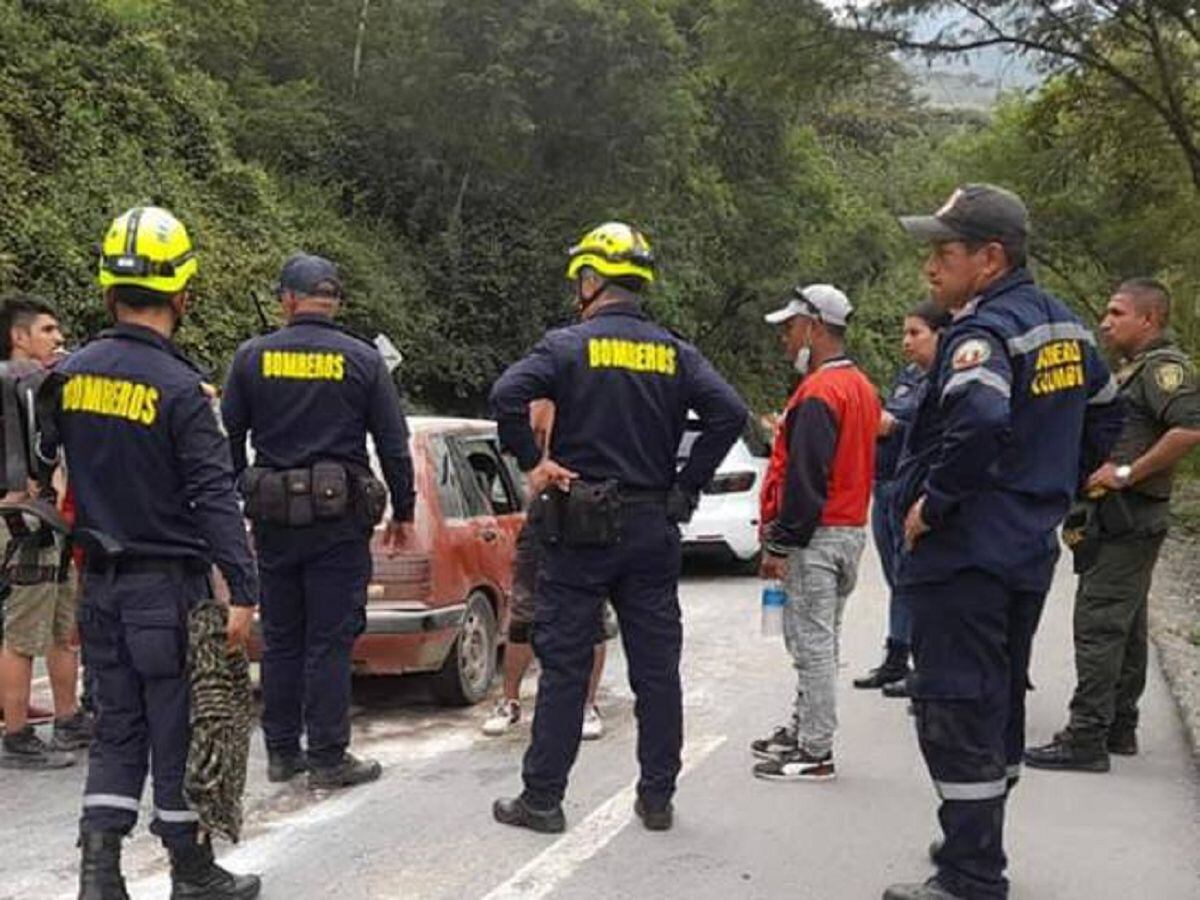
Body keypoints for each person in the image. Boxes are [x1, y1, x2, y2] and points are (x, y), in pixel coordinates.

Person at [883, 185, 1123, 900]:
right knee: (998, 698)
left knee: (955, 702)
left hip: (965, 551)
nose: (931, 267)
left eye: (944, 252)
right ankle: (973, 836)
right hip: (1025, 548)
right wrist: (1057, 483)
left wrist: (938, 502)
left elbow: (981, 417)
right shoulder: (1070, 329)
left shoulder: (981, 332)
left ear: (990, 258)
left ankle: (970, 874)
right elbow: (1105, 416)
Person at [489, 222, 746, 833]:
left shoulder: (567, 345)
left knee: (566, 662)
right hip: (652, 525)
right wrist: (687, 485)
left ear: (592, 277)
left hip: (578, 525)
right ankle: (656, 798)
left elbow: (506, 393)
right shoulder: (674, 351)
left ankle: (543, 799)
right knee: (656, 667)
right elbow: (729, 412)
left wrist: (534, 462)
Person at [50, 206, 261, 898]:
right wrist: (244, 591)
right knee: (179, 730)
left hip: (99, 588)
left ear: (109, 290)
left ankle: (98, 876)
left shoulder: (68, 377)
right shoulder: (181, 390)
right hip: (167, 592)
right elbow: (215, 495)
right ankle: (192, 874)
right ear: (182, 294)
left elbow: (53, 469)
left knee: (116, 730)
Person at [221, 252, 415, 790]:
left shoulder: (251, 357)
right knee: (329, 639)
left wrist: (240, 491)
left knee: (282, 637)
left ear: (287, 299)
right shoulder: (362, 359)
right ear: (334, 302)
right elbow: (394, 445)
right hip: (338, 523)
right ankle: (328, 755)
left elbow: (228, 437)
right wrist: (404, 509)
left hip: (274, 520)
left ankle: (283, 751)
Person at [1025, 279, 1200, 771]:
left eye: (1117, 313)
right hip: (1114, 517)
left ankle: (1086, 737)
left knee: (1099, 623)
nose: (1106, 321)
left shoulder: (1166, 370)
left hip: (1130, 514)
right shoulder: (1135, 370)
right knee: (1125, 625)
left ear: (1149, 319)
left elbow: (1190, 427)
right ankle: (1119, 725)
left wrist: (1126, 472)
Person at [750, 284, 881, 782]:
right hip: (848, 530)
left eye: (789, 327)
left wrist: (780, 543)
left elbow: (806, 479)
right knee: (822, 639)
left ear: (815, 327)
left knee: (811, 644)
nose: (785, 338)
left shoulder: (819, 392)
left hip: (817, 536)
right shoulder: (862, 388)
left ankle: (814, 750)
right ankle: (804, 727)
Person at [482, 402, 611, 741]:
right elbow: (519, 445)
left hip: (592, 515)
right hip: (544, 513)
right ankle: (509, 700)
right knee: (524, 612)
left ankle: (587, 704)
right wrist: (537, 466)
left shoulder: (605, 397)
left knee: (590, 615)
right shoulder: (542, 402)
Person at [0, 295, 91, 769]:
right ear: (19, 337)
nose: (57, 340)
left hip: (46, 516)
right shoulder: (21, 378)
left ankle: (68, 717)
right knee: (24, 630)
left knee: (61, 626)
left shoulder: (34, 385)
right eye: (47, 330)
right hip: (27, 519)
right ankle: (16, 735)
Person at [854, 300, 950, 698]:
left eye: (916, 333)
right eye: (904, 332)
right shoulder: (911, 375)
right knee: (898, 579)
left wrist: (886, 422)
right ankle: (897, 657)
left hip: (917, 492)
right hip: (887, 483)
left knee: (918, 579)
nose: (906, 341)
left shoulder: (946, 379)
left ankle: (926, 666)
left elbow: (897, 422)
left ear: (940, 335)